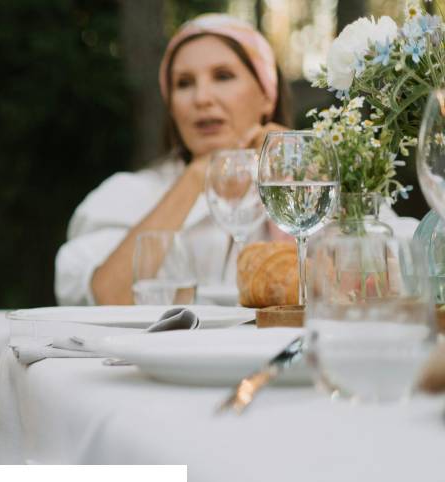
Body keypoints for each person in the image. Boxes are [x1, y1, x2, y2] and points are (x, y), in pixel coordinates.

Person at [55, 14, 293, 306]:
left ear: (267, 95)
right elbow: (106, 298)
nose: (201, 98)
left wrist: (299, 168)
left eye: (223, 76)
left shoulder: (308, 189)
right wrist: (197, 177)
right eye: (184, 83)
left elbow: (349, 292)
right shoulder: (128, 194)